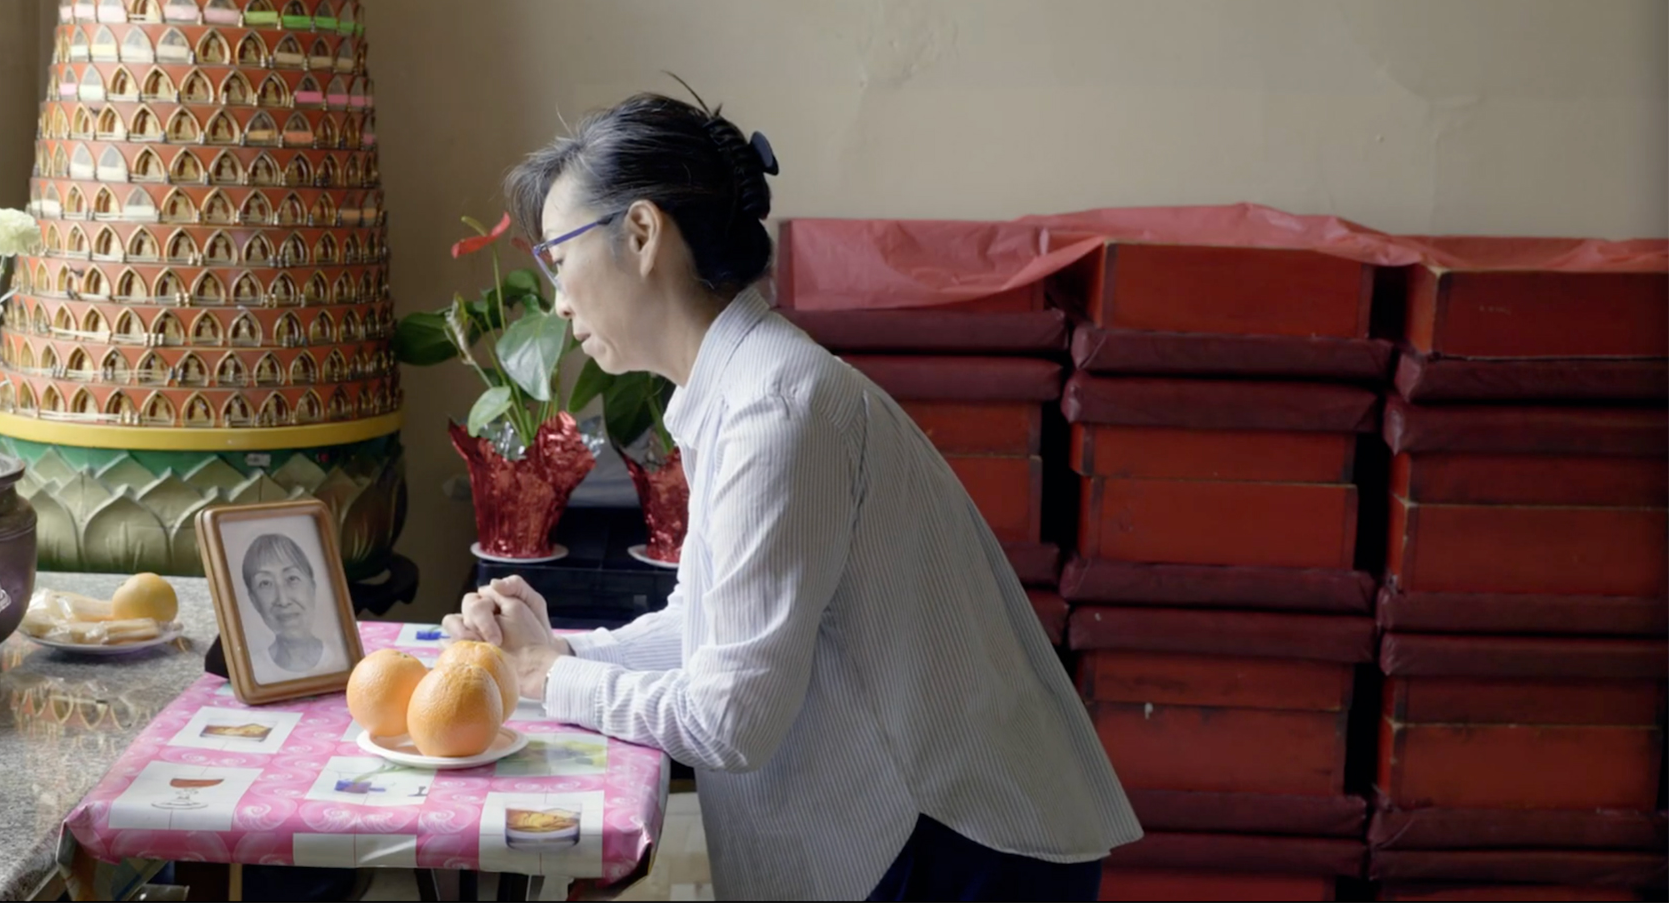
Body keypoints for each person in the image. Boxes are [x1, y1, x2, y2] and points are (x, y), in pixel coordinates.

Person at [445, 90, 1142, 901]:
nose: (558, 299)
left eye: (558, 258)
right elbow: (717, 626)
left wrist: (544, 677)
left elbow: (728, 720)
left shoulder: (776, 412)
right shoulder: (749, 389)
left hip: (962, 842)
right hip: (928, 827)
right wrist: (564, 652)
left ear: (641, 234)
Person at [240, 533, 339, 677]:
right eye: (265, 583)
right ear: (254, 600)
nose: (283, 600)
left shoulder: (341, 660)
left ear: (312, 587)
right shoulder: (253, 672)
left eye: (292, 578)